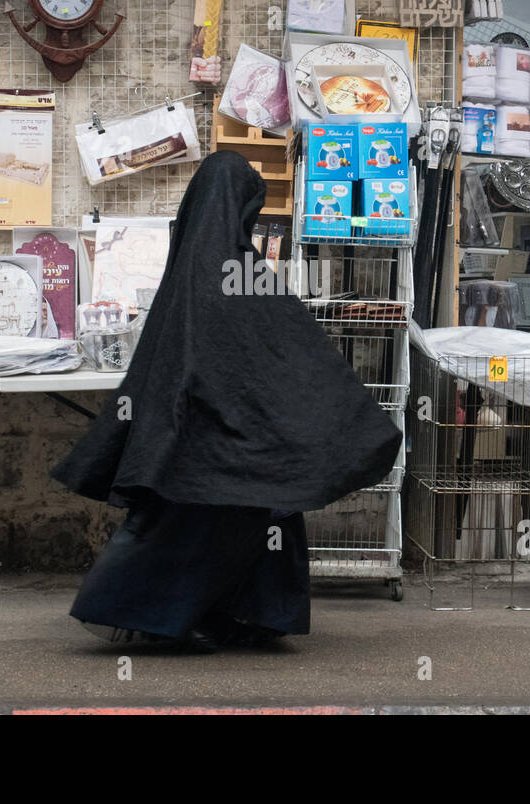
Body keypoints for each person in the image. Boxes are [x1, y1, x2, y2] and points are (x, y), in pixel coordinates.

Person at [52, 150, 402, 652]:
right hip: (240, 444)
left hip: (185, 446)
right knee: (257, 518)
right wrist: (352, 414)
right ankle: (239, 616)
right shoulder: (245, 272)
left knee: (185, 530)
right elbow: (295, 350)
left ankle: (190, 616)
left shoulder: (182, 273)